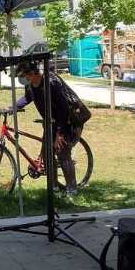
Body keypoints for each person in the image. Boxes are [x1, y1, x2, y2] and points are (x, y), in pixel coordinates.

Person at [15, 61, 91, 195]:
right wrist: (12, 107)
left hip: (68, 121)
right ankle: (54, 187)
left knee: (62, 153)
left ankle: (72, 190)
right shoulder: (31, 85)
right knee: (47, 154)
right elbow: (27, 98)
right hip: (51, 122)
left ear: (32, 73)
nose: (23, 79)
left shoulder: (51, 82)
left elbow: (64, 109)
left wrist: (60, 134)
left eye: (24, 75)